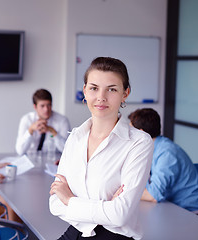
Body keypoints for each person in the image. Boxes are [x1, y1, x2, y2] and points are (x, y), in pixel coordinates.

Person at [49, 57, 153, 240]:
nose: (101, 97)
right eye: (94, 88)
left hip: (112, 236)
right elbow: (54, 204)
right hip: (73, 232)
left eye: (112, 89)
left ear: (125, 93)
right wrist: (105, 208)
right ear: (85, 91)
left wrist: (69, 199)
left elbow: (120, 215)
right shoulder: (75, 137)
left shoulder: (139, 143)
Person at [128, 108, 198, 211]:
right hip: (166, 206)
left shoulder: (167, 153)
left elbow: (152, 195)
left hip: (185, 212)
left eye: (130, 131)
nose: (128, 135)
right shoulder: (150, 149)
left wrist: (125, 194)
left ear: (141, 133)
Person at [15, 88, 71, 155]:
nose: (46, 109)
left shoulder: (62, 120)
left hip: (53, 161)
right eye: (42, 106)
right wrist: (30, 130)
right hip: (30, 160)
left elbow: (67, 150)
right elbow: (20, 151)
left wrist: (53, 131)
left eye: (49, 105)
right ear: (35, 107)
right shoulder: (27, 120)